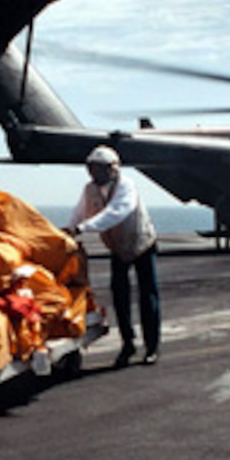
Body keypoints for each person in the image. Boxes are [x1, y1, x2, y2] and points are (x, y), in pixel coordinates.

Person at [67, 145, 161, 367]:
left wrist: (82, 228)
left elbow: (117, 212)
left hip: (141, 243)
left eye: (98, 169)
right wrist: (69, 229)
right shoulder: (90, 189)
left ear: (112, 169)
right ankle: (128, 343)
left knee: (148, 297)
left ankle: (152, 347)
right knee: (119, 296)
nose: (93, 174)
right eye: (91, 169)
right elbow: (79, 211)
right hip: (118, 247)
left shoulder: (126, 186)